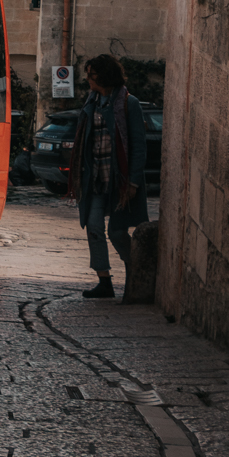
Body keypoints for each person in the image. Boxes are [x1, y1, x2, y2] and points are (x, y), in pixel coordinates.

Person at [69, 53, 147, 300]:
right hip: (95, 178)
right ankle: (104, 281)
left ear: (103, 76)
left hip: (119, 181)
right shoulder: (91, 102)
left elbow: (137, 144)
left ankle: (136, 273)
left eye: (91, 75)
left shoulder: (128, 103)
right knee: (92, 226)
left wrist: (133, 181)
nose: (88, 80)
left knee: (116, 232)